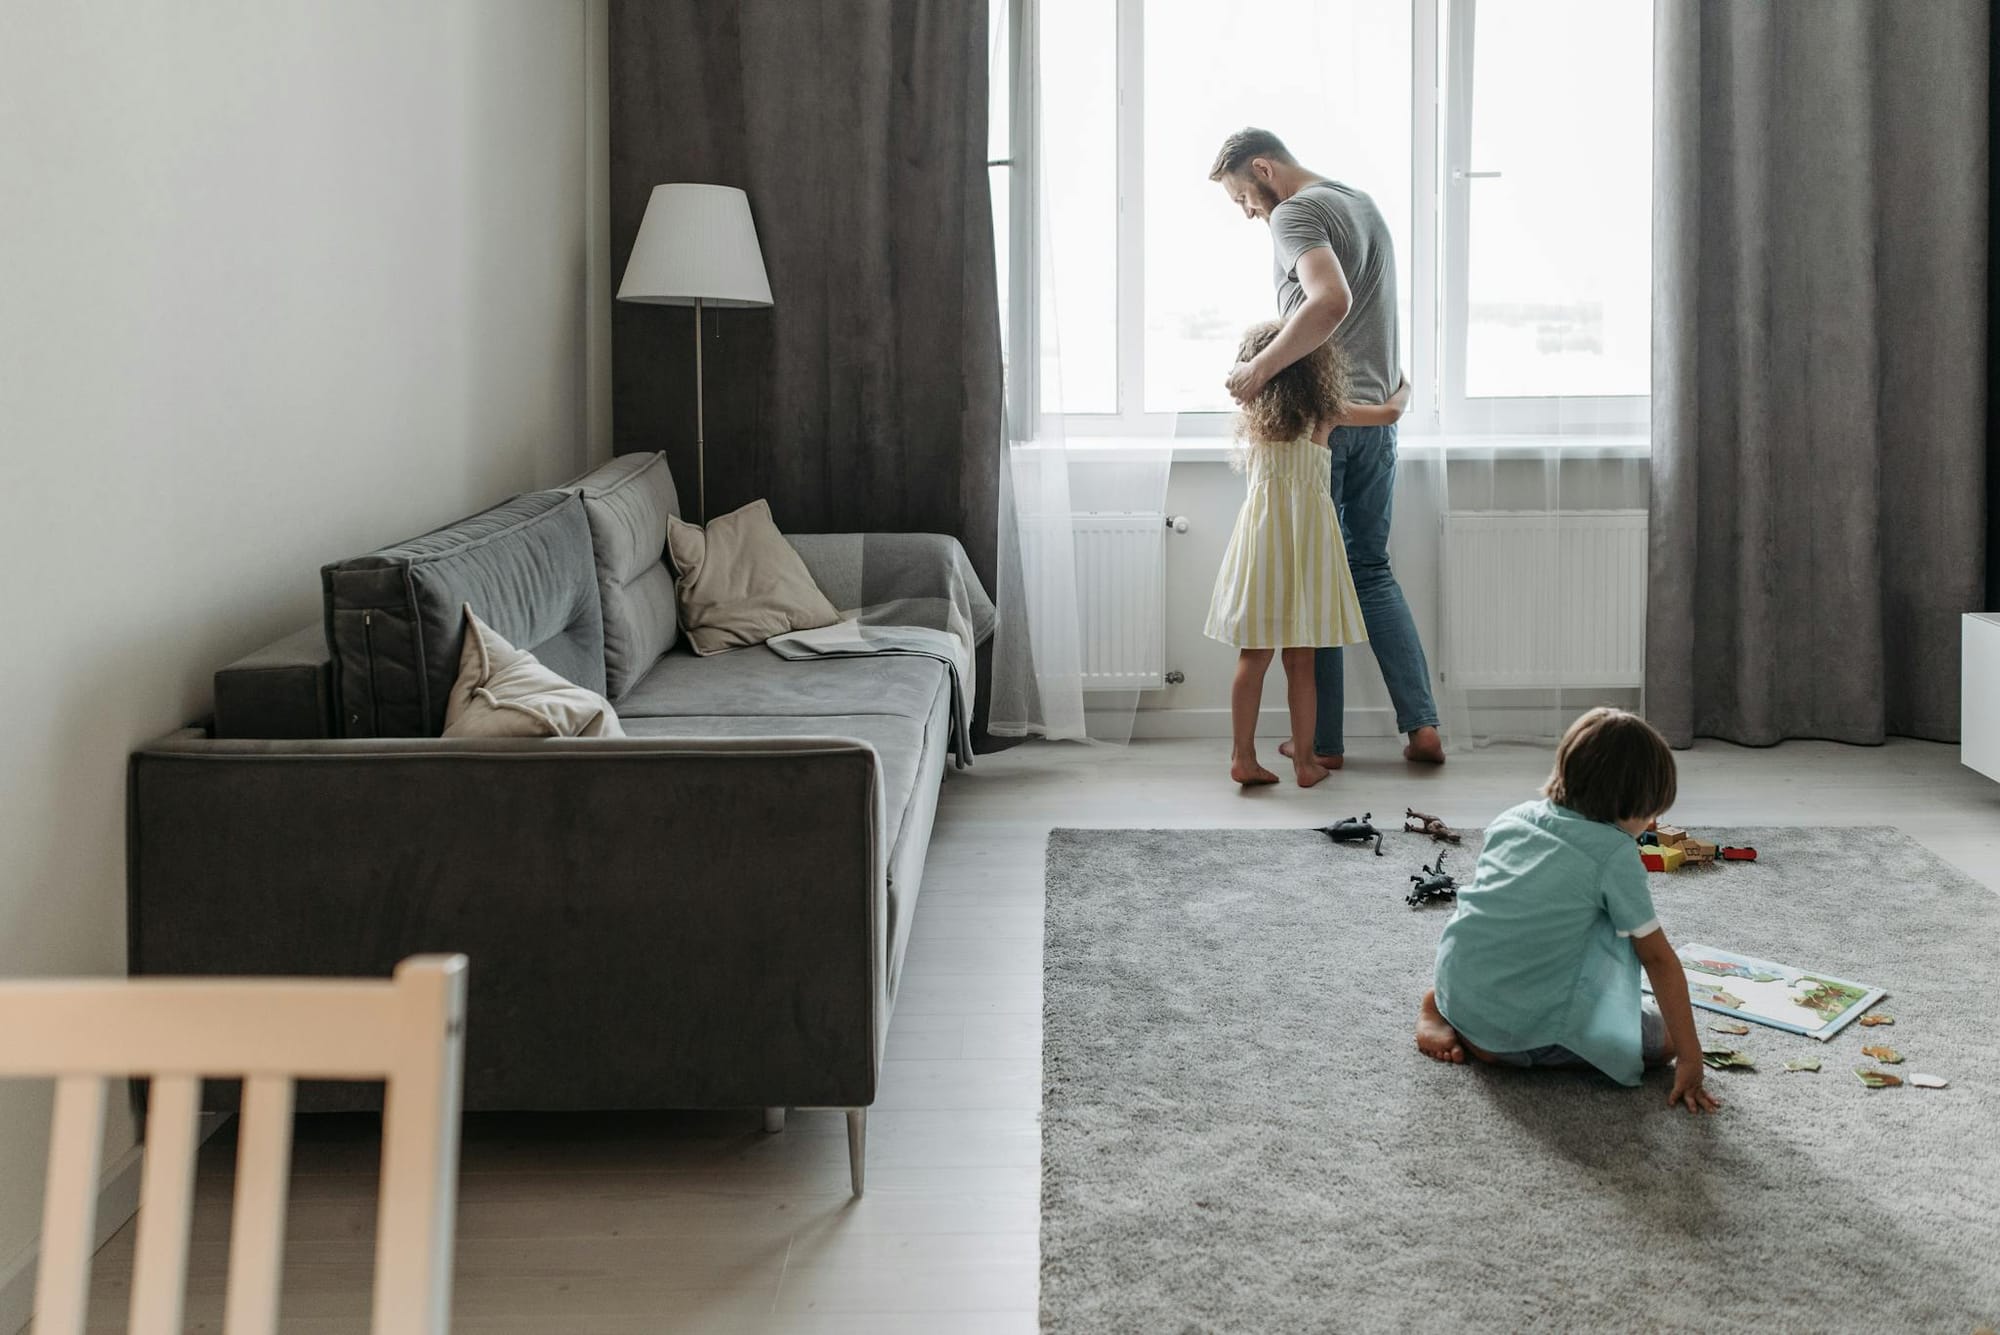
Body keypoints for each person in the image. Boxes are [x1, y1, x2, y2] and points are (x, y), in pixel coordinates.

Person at [1209, 127, 1444, 769]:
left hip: (1325, 427)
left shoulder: (1295, 212)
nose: (1248, 213)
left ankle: (1326, 745)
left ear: (1264, 168)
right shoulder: (1361, 204)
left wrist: (1258, 371)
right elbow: (1372, 315)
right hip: (1377, 422)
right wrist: (1394, 396)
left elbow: (1331, 301)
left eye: (1242, 198)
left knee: (1320, 581)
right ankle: (1422, 725)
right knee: (1369, 570)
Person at [1414, 707, 1721, 1115]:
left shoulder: (1513, 818)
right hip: (1513, 1033)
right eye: (1651, 811)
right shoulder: (1614, 854)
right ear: (1627, 803)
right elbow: (1658, 959)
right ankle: (1494, 1046)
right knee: (1662, 1039)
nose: (1653, 822)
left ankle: (1442, 1006)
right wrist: (1690, 1057)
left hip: (1460, 987)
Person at [1203, 322, 1368, 788]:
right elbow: (1389, 413)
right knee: (1302, 663)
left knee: (1252, 657)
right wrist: (1404, 390)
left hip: (1261, 550)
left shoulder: (1254, 420)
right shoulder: (1324, 418)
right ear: (1315, 368)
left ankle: (1243, 757)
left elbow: (1237, 380)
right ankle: (1305, 764)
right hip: (1308, 551)